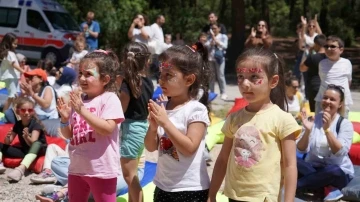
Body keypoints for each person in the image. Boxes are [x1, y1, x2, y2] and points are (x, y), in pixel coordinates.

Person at [207, 48, 301, 202]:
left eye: (254, 77)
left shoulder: (282, 120)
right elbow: (223, 159)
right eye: (240, 76)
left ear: (273, 81)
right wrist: (212, 194)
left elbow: (290, 166)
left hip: (264, 198)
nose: (245, 83)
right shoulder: (234, 119)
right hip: (234, 195)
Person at [144, 42, 212, 202]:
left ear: (189, 80)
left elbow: (189, 148)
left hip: (190, 189)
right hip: (163, 186)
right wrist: (153, 128)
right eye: (160, 75)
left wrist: (165, 122)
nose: (161, 80)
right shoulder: (163, 107)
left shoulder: (196, 110)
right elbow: (150, 147)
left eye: (169, 76)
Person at [57, 50, 124, 202]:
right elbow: (69, 135)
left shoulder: (109, 99)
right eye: (80, 73)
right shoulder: (79, 101)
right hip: (77, 168)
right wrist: (64, 119)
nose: (82, 78)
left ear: (105, 79)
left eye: (88, 74)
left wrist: (82, 111)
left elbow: (107, 128)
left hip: (101, 169)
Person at [297, 84, 354, 201]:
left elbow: (340, 152)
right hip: (314, 168)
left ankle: (296, 185)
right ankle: (325, 188)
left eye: (332, 99)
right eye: (325, 98)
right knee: (293, 160)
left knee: (333, 170)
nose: (327, 101)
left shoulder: (345, 124)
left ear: (340, 104)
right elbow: (301, 149)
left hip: (336, 172)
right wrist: (307, 131)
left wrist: (327, 130)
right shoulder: (314, 119)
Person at [119, 42, 153, 202]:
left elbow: (121, 109)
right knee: (132, 174)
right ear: (147, 61)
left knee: (129, 175)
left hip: (131, 129)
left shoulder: (128, 83)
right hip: (141, 128)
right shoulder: (148, 81)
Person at [0, 97, 47, 182]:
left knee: (37, 143)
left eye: (29, 110)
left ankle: (20, 169)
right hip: (26, 151)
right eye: (23, 110)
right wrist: (7, 137)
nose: (26, 113)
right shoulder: (18, 124)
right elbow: (8, 142)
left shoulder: (35, 125)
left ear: (32, 112)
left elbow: (33, 143)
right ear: (18, 111)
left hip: (38, 150)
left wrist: (26, 137)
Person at [314, 36, 353, 117]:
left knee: (341, 126)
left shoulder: (347, 63)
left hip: (342, 102)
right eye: (326, 46)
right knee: (319, 126)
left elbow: (349, 82)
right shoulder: (322, 64)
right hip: (323, 100)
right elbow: (323, 79)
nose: (328, 49)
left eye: (332, 46)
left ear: (341, 50)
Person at [300, 34, 327, 112]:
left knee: (316, 114)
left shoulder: (313, 57)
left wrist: (307, 52)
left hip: (314, 87)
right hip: (327, 87)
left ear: (316, 44)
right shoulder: (329, 58)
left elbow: (302, 68)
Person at [0, 33, 24, 112]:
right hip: (11, 77)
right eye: (14, 44)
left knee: (15, 96)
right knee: (12, 97)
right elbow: (13, 64)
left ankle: (15, 112)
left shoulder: (7, 53)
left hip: (12, 77)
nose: (16, 46)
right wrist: (22, 71)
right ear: (9, 43)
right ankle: (6, 112)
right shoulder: (10, 53)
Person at [205, 23, 228, 100]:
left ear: (219, 28)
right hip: (211, 59)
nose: (213, 30)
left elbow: (225, 46)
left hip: (220, 59)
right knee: (211, 76)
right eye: (212, 28)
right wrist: (211, 42)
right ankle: (212, 92)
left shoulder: (223, 36)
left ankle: (223, 92)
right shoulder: (209, 37)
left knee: (220, 76)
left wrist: (217, 41)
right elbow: (206, 45)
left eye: (215, 28)